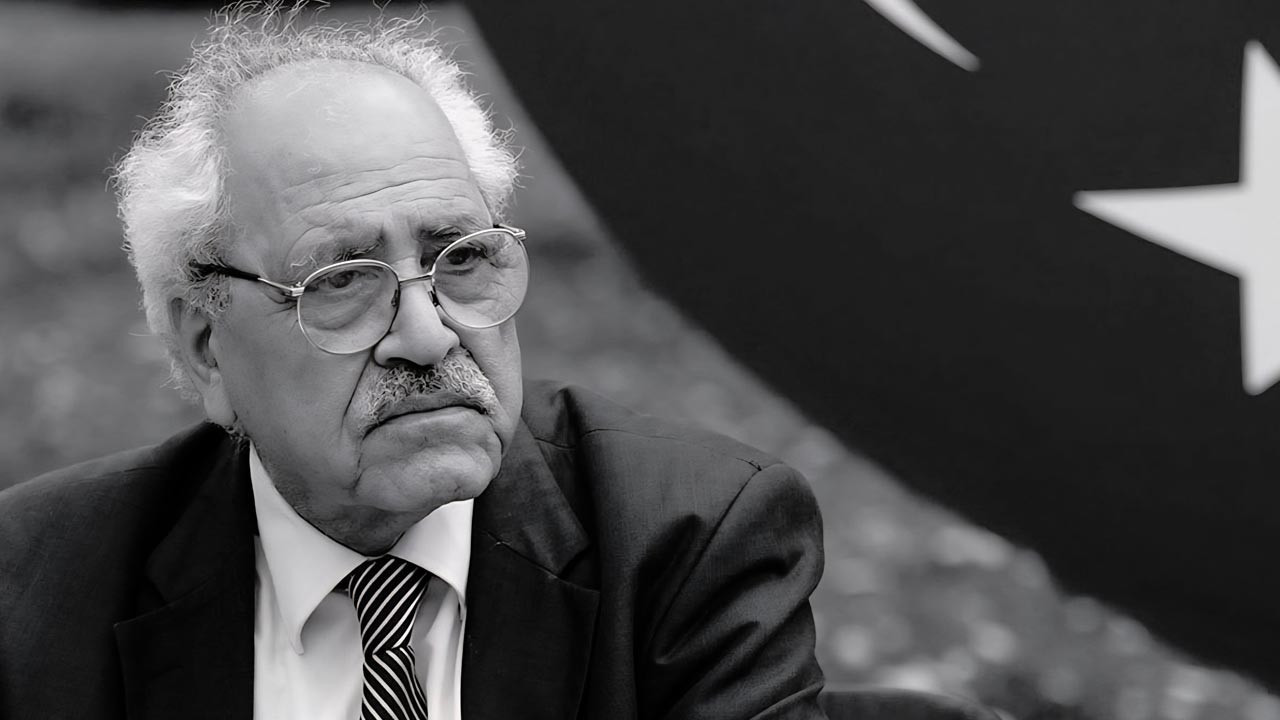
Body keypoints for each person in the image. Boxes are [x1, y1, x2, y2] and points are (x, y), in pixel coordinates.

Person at [0, 4, 827, 719]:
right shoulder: (34, 589)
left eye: (460, 259)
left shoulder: (688, 540)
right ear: (204, 345)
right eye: (342, 282)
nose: (429, 338)